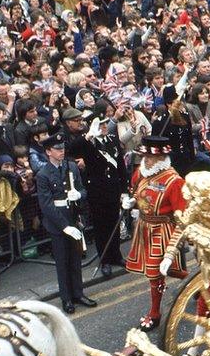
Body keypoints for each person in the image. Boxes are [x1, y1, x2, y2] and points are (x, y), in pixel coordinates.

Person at [122, 136, 188, 331]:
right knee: (151, 272)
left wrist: (173, 248)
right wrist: (132, 201)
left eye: (150, 158)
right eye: (145, 156)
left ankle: (155, 312)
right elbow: (137, 191)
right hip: (143, 227)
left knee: (154, 272)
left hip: (163, 229)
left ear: (161, 158)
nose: (146, 160)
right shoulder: (141, 172)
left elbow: (182, 216)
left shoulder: (174, 181)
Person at [36, 133, 96, 315]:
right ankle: (67, 298)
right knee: (62, 262)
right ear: (48, 152)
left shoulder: (71, 167)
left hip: (73, 217)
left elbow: (83, 190)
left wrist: (79, 195)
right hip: (58, 223)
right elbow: (46, 205)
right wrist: (64, 226)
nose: (61, 152)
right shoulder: (43, 174)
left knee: (75, 259)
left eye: (62, 148)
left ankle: (78, 293)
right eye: (57, 149)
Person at [65, 110, 127, 278]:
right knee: (101, 227)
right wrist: (89, 136)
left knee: (114, 223)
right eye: (101, 124)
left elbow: (120, 165)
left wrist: (124, 190)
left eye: (106, 123)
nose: (105, 126)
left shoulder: (112, 140)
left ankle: (116, 256)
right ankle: (105, 259)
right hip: (97, 191)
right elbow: (71, 150)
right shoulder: (88, 143)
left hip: (113, 188)